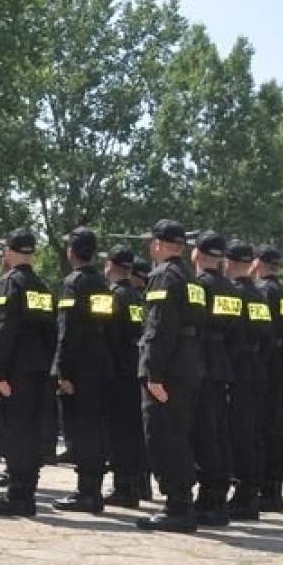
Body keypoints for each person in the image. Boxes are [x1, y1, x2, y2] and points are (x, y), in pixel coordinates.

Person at [135, 220, 205, 532]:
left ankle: (177, 506)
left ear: (158, 244)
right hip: (188, 365)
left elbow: (159, 327)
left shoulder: (163, 275)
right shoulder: (191, 279)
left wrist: (153, 372)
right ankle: (181, 502)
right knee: (180, 435)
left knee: (164, 436)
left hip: (169, 369)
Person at [0, 229, 57, 518]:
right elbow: (52, 333)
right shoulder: (42, 287)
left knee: (12, 434)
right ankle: (28, 494)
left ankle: (16, 495)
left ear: (9, 252)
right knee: (31, 433)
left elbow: (3, 330)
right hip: (39, 372)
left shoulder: (9, 283)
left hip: (13, 372)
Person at [52, 227, 116, 513]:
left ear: (71, 251)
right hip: (101, 363)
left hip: (79, 366)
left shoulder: (73, 283)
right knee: (97, 427)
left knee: (80, 430)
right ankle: (94, 490)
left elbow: (68, 330)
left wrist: (63, 370)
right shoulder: (102, 284)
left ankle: (86, 492)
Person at [188, 231, 236, 526]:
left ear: (197, 254)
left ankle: (209, 498)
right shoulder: (231, 291)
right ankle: (218, 493)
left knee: (204, 433)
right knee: (218, 432)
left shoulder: (200, 287)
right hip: (224, 364)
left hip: (201, 364)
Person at [225, 240, 272, 520]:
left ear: (229, 263)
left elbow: (231, 339)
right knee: (253, 435)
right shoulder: (260, 297)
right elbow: (268, 340)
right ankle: (251, 492)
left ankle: (243, 495)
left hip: (238, 370)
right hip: (257, 370)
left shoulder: (235, 295)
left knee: (238, 435)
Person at [253, 245, 283, 509]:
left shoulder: (262, 292)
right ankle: (274, 489)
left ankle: (264, 489)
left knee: (260, 429)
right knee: (275, 427)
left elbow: (261, 333)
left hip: (265, 366)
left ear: (258, 263)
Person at [102, 245, 147, 507]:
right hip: (135, 368)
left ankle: (123, 488)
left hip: (118, 372)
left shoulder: (115, 297)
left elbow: (108, 337)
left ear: (110, 265)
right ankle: (136, 484)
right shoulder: (137, 296)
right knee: (133, 431)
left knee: (119, 432)